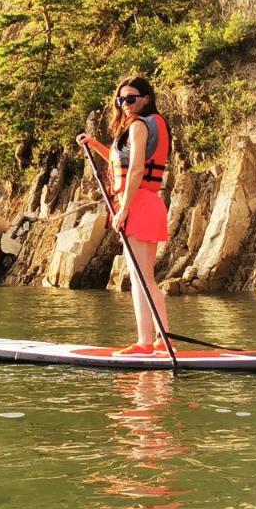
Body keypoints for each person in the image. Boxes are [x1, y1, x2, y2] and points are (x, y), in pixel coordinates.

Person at [77, 76, 172, 355]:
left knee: (139, 278)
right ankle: (162, 339)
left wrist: (124, 209)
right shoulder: (144, 125)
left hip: (139, 205)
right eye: (121, 99)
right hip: (148, 203)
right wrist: (93, 144)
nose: (125, 104)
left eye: (131, 98)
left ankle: (145, 343)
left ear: (146, 99)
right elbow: (122, 161)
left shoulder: (140, 126)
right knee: (146, 277)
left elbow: (136, 170)